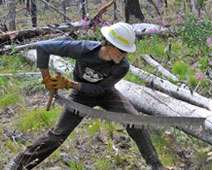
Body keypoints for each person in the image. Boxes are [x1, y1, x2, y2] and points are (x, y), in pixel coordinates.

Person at [8, 22, 164, 169]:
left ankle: (156, 166)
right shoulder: (83, 49)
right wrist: (47, 79)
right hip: (80, 96)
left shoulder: (122, 66)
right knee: (58, 136)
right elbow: (43, 47)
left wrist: (70, 84)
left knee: (135, 122)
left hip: (106, 93)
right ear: (109, 44)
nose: (124, 55)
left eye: (127, 52)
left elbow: (100, 90)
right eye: (122, 50)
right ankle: (18, 164)